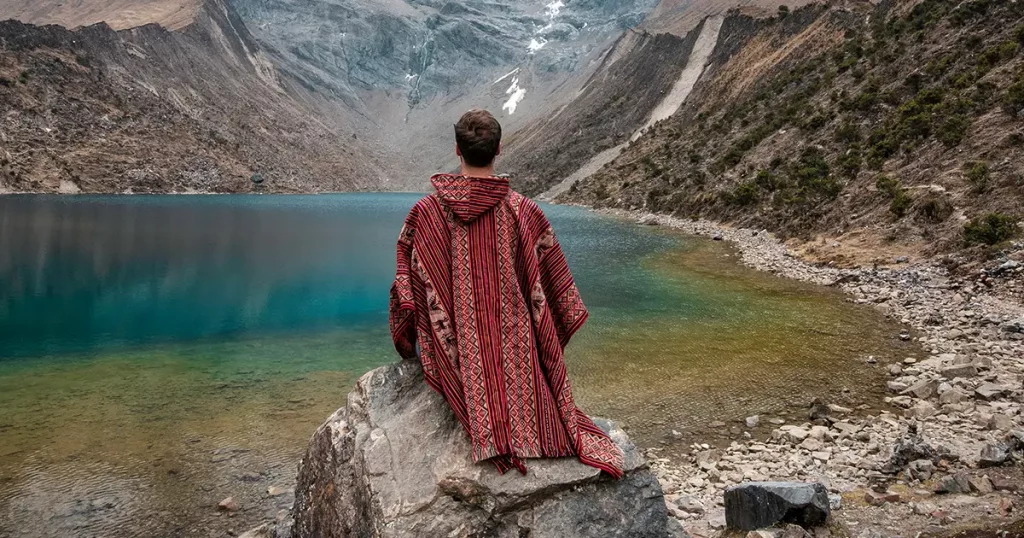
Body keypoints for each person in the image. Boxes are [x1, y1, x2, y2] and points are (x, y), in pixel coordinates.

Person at [388, 109, 624, 478]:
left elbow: (407, 279)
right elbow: (557, 287)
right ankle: (527, 423)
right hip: (517, 349)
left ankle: (485, 423)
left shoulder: (425, 213)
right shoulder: (524, 212)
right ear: (498, 150)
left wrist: (411, 333)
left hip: (454, 351)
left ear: (456, 150)